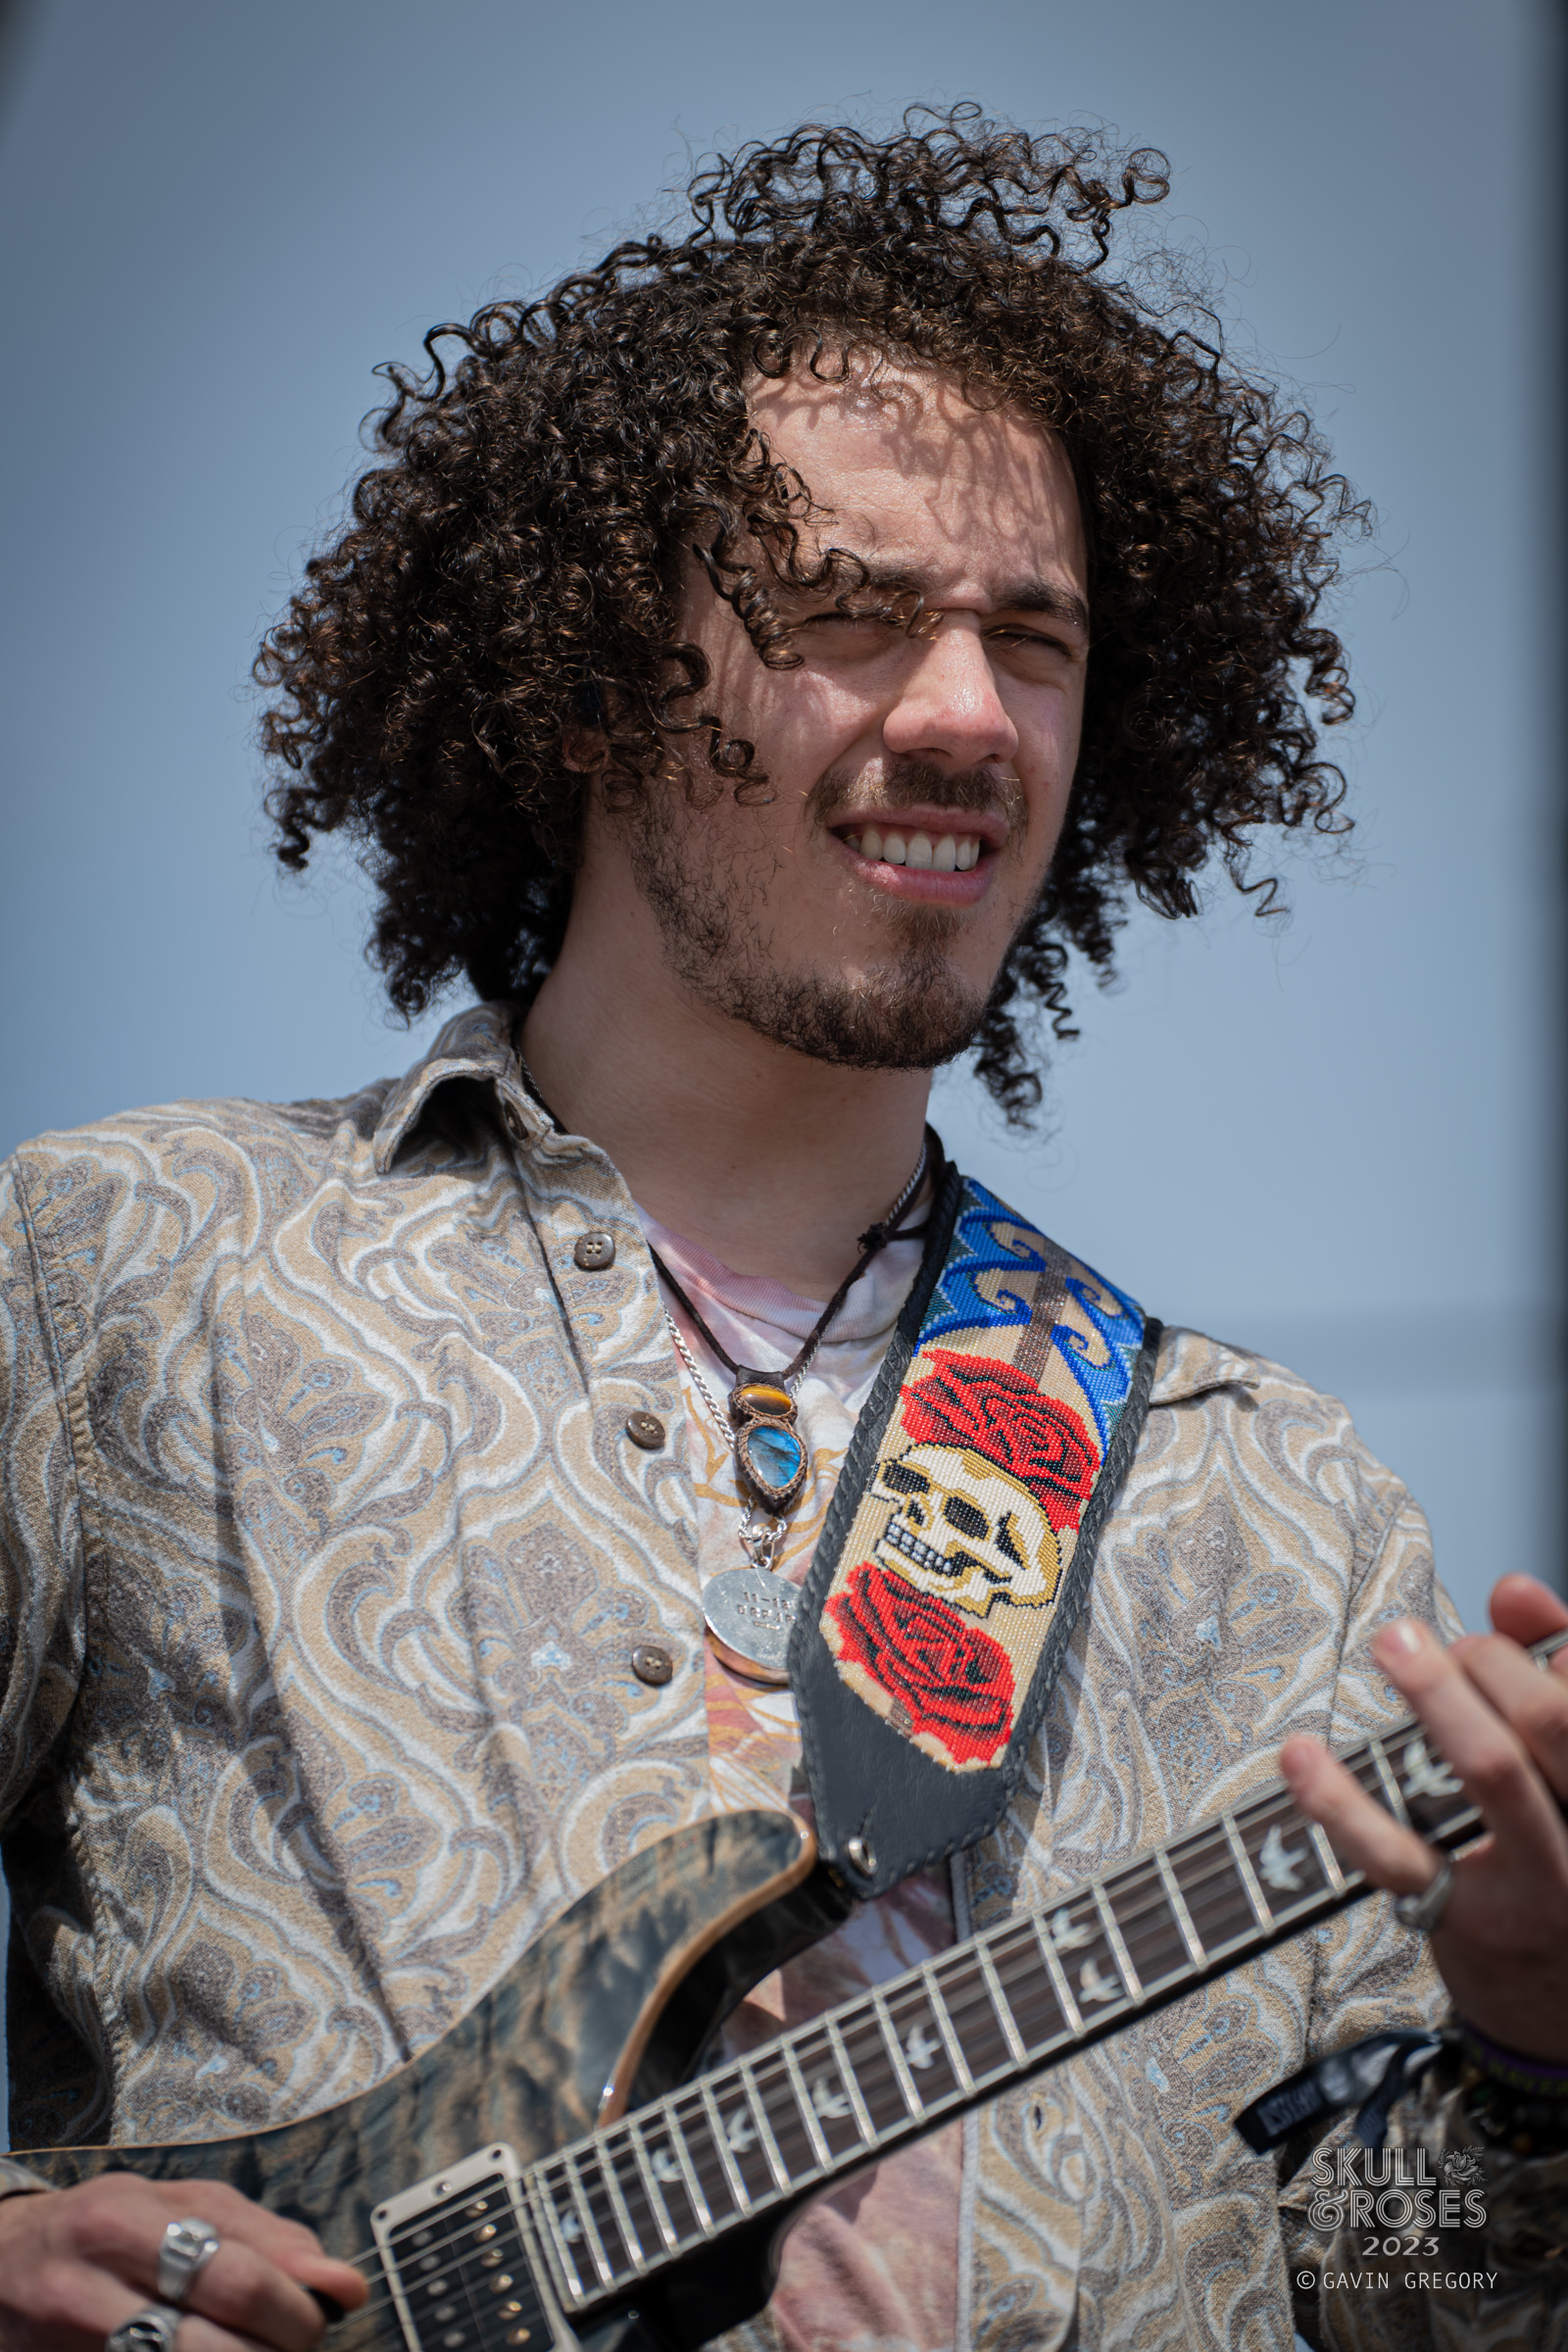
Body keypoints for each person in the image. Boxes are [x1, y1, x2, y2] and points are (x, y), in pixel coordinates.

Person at [1, 109, 1564, 2352]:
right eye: (847, 617)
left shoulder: (1280, 1521)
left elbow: (1392, 2297)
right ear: (584, 685)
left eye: (1029, 638)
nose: (965, 713)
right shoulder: (129, 1274)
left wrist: (1529, 2057)